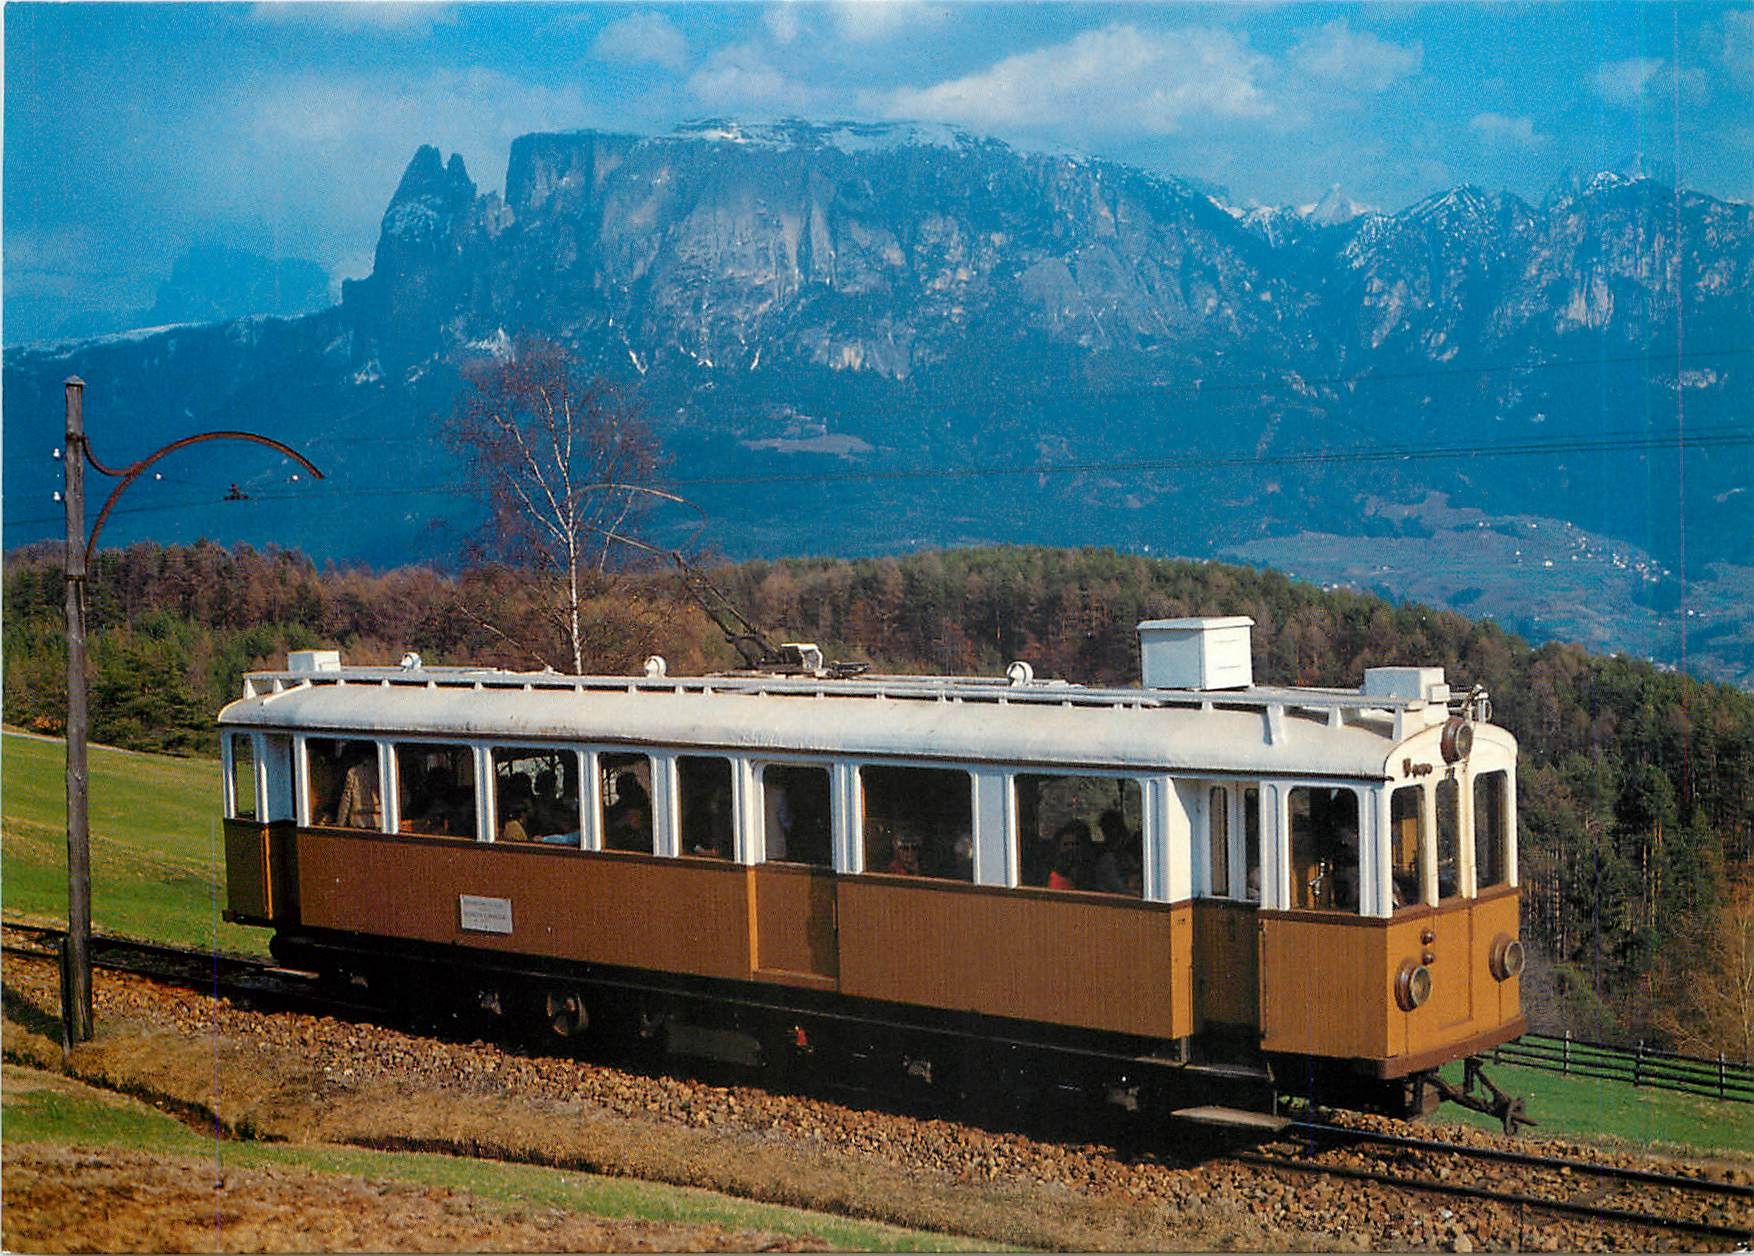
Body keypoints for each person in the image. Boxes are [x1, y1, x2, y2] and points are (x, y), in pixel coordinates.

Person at [336, 752, 381, 830]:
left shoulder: (353, 772)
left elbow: (346, 800)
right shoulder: (384, 769)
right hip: (379, 821)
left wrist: (340, 825)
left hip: (358, 821)